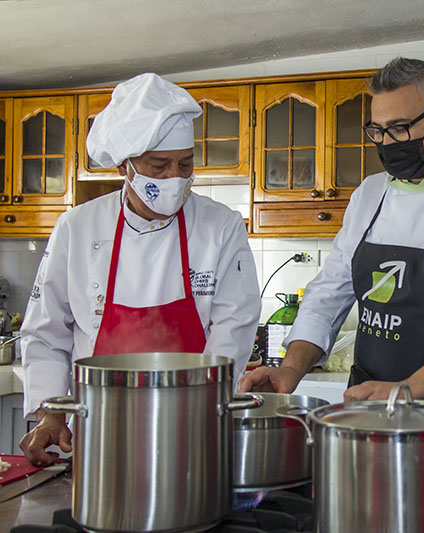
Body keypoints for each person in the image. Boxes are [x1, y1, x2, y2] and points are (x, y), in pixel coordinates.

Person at [239, 58, 424, 410]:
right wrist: (290, 370)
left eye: (399, 128)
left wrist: (409, 388)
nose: (387, 143)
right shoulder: (368, 194)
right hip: (367, 403)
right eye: (377, 131)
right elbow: (329, 293)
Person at [19, 73, 261, 466]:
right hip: (96, 429)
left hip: (191, 426)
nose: (174, 178)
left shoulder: (221, 226)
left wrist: (202, 411)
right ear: (125, 166)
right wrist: (51, 410)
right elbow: (46, 333)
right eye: (159, 165)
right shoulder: (77, 228)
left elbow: (234, 328)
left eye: (185, 164)